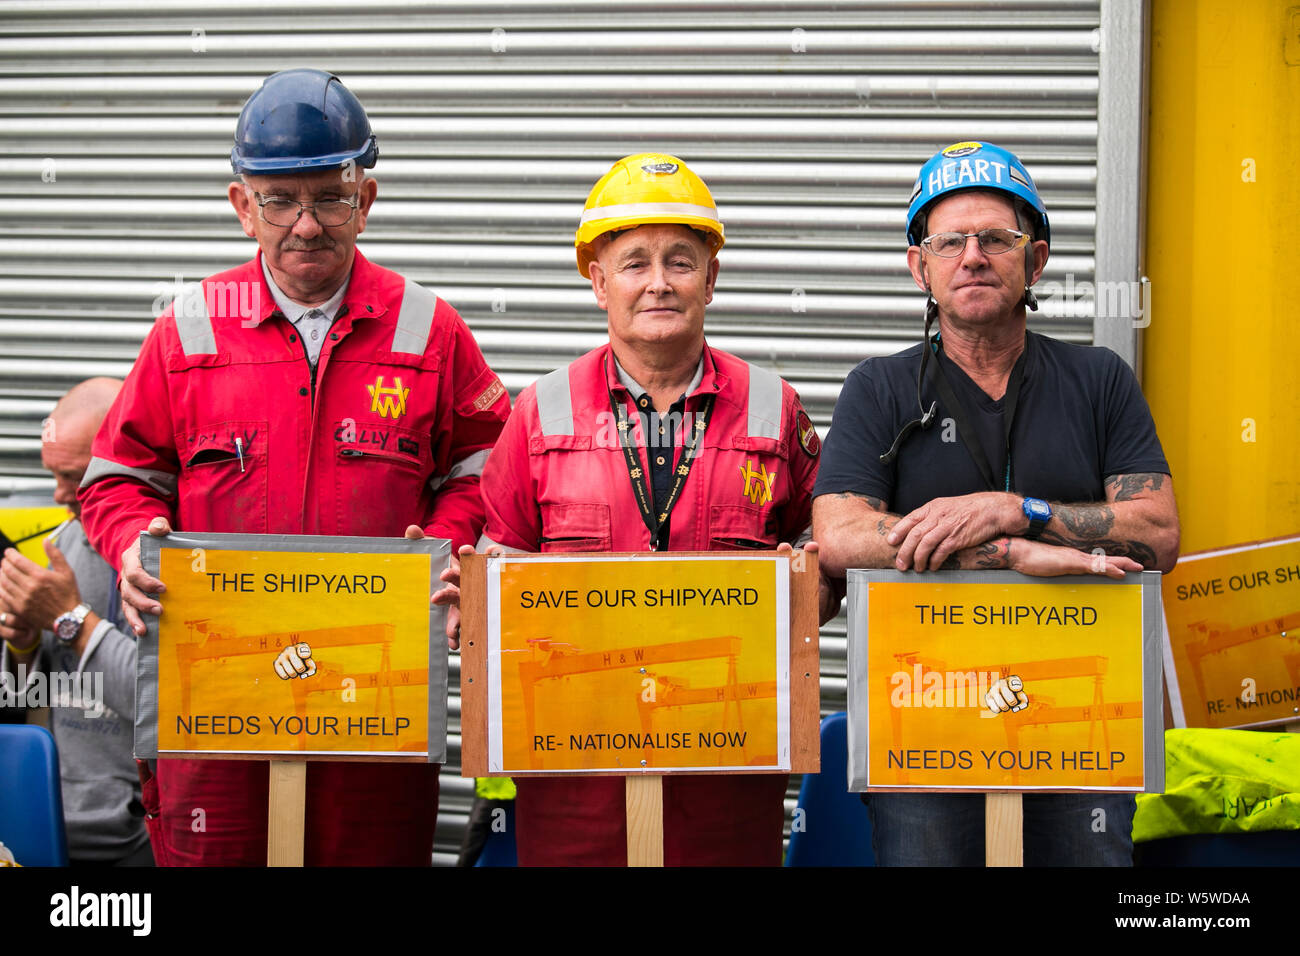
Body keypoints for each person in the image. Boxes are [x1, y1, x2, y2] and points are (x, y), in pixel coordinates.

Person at [77, 69, 509, 866]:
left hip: (374, 704)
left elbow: (489, 472)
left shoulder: (430, 330)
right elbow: (114, 476)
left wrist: (447, 555)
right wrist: (140, 542)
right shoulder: (190, 329)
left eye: (330, 196)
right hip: (215, 711)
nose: (306, 225)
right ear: (243, 206)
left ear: (366, 198)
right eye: (280, 199)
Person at [812, 141, 1180, 866]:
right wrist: (1012, 555)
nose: (972, 256)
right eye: (948, 241)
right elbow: (841, 535)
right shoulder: (878, 389)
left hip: (1080, 715)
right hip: (922, 712)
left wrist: (1020, 511)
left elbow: (1158, 534)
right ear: (920, 267)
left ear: (1035, 261)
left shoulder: (1099, 379)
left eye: (996, 239)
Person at [474, 153, 827, 865]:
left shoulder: (774, 409)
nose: (659, 282)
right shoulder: (539, 412)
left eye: (681, 260)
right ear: (598, 281)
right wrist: (474, 602)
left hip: (728, 770)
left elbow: (828, 566)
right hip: (576, 776)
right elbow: (499, 557)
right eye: (634, 263)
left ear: (712, 278)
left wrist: (806, 591)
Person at [0, 378, 153, 866]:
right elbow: (23, 701)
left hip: (139, 831)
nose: (59, 493)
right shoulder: (64, 546)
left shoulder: (165, 556)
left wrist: (70, 619)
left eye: (73, 476)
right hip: (50, 814)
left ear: (118, 464)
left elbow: (168, 706)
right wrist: (24, 645)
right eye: (53, 474)